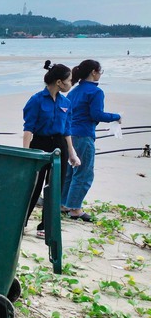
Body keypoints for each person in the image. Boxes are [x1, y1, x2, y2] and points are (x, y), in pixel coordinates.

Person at [23, 60, 81, 238]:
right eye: (70, 80)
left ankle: (45, 226)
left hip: (59, 146)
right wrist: (26, 153)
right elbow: (28, 128)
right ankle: (21, 221)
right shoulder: (36, 100)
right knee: (33, 186)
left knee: (55, 186)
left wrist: (72, 153)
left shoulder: (66, 102)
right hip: (39, 144)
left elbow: (67, 130)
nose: (71, 84)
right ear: (59, 82)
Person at [62, 60, 121, 222]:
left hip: (69, 135)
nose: (100, 74)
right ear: (94, 72)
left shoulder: (74, 91)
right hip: (84, 135)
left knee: (69, 172)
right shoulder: (96, 92)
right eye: (100, 71)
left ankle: (63, 204)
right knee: (84, 173)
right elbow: (97, 115)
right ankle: (75, 209)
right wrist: (116, 117)